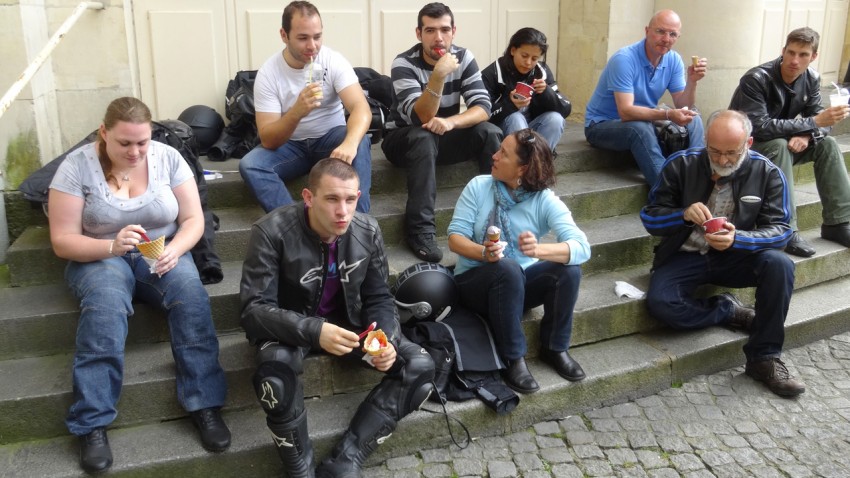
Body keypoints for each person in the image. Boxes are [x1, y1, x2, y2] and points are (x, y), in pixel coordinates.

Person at [47, 97, 230, 474]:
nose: (135, 152)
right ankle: (92, 422)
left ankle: (205, 404)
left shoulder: (167, 157)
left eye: (142, 143)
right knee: (106, 304)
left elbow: (195, 218)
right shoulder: (76, 166)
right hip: (98, 252)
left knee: (190, 295)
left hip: (158, 247)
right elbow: (62, 240)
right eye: (124, 143)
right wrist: (110, 246)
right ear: (104, 134)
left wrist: (176, 250)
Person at [240, 158, 435, 477]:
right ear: (308, 197)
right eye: (331, 199)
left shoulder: (367, 229)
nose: (343, 211)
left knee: (420, 366)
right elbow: (253, 310)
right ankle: (300, 469)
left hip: (349, 328)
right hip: (289, 329)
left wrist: (384, 338)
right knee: (274, 379)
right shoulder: (272, 231)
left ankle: (347, 459)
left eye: (350, 199)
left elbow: (378, 296)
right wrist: (316, 331)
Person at [641, 110, 805, 398]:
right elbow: (650, 218)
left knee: (779, 264)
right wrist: (682, 215)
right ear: (705, 141)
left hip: (736, 255)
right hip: (684, 254)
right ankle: (727, 310)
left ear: (749, 143)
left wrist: (738, 238)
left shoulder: (767, 172)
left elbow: (781, 231)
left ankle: (763, 357)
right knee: (661, 303)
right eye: (715, 151)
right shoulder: (681, 164)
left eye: (731, 152)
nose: (722, 159)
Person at [447, 129, 591, 394]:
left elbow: (582, 247)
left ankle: (554, 347)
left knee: (568, 270)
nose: (494, 156)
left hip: (516, 286)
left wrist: (539, 251)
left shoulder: (544, 200)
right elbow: (455, 238)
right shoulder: (479, 186)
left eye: (503, 153)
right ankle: (513, 357)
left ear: (523, 168)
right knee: (507, 268)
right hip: (473, 285)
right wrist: (484, 253)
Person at [381, 2, 502, 263]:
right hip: (403, 139)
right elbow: (422, 117)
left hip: (443, 135)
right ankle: (420, 230)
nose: (438, 37)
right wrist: (438, 76)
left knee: (490, 133)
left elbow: (483, 108)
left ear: (453, 31)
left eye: (445, 30)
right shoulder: (403, 63)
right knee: (424, 136)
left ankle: (495, 219)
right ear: (418, 34)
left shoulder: (464, 57)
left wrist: (451, 122)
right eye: (430, 30)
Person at [239, 1, 373, 214]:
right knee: (251, 165)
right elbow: (268, 138)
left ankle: (359, 225)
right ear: (284, 35)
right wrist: (296, 112)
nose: (312, 46)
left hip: (330, 140)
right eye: (303, 38)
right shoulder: (269, 73)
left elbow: (361, 108)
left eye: (317, 36)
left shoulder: (333, 61)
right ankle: (297, 226)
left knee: (360, 140)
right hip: (291, 146)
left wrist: (349, 143)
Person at [729, 27, 850, 258]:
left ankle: (838, 222)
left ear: (813, 56)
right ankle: (786, 229)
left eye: (803, 54)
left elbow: (821, 124)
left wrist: (807, 133)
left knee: (829, 144)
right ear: (783, 50)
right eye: (791, 52)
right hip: (744, 147)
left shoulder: (812, 78)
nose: (795, 60)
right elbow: (759, 127)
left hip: (780, 144)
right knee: (779, 145)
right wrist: (812, 122)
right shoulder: (756, 78)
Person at [584, 9, 707, 186]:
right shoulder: (624, 59)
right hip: (601, 125)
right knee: (639, 128)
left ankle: (697, 177)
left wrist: (692, 82)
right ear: (647, 31)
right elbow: (626, 112)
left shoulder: (673, 60)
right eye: (660, 31)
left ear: (678, 37)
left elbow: (683, 104)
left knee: (693, 117)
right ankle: (666, 190)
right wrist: (667, 115)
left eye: (672, 34)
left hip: (644, 120)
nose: (666, 39)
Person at [481, 27, 571, 152]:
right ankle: (522, 165)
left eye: (534, 58)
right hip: (503, 132)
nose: (528, 62)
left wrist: (547, 92)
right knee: (515, 117)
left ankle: (539, 163)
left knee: (555, 119)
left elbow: (565, 109)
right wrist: (510, 105)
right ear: (513, 50)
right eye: (524, 56)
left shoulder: (542, 72)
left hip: (533, 127)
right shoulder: (493, 74)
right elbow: (482, 115)